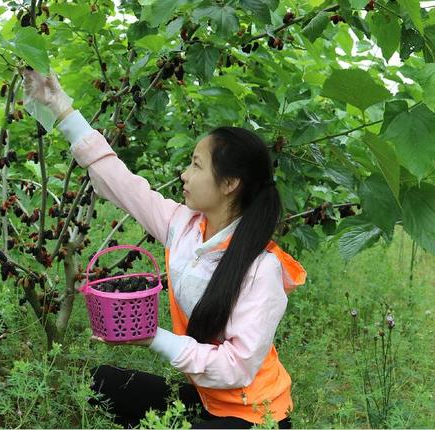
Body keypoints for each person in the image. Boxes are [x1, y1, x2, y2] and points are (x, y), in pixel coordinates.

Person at [23, 68, 307, 429]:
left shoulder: (261, 268)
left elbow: (235, 368)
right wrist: (59, 106)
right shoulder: (184, 227)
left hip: (254, 414)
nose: (185, 174)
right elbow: (122, 183)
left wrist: (154, 338)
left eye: (196, 165)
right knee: (100, 382)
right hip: (206, 399)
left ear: (230, 183)